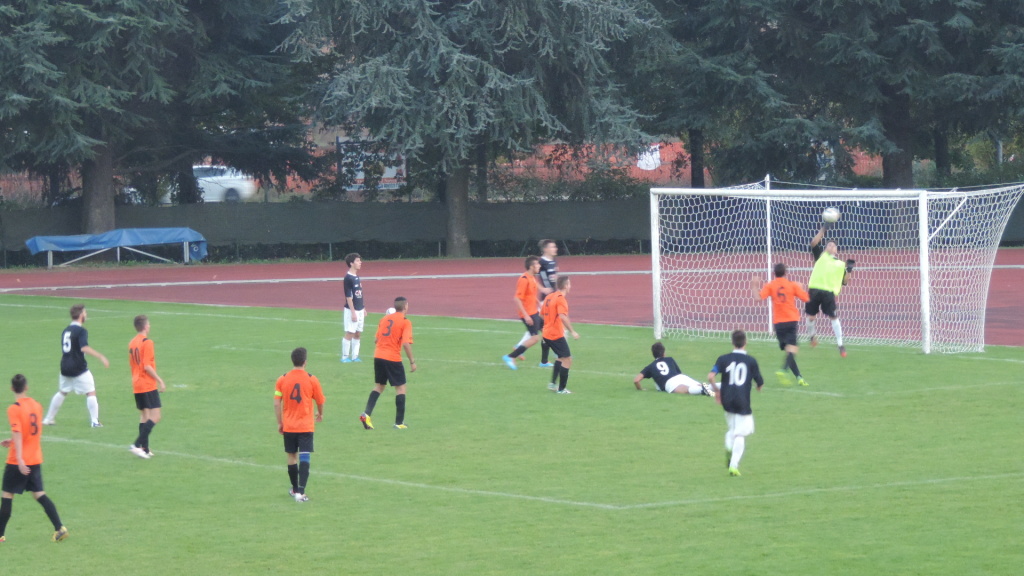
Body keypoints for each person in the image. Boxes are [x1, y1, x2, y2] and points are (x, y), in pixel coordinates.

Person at [1, 374, 69, 543]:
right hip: (35, 458)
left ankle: (0, 534)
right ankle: (60, 527)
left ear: (11, 388)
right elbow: (30, 432)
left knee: (7, 495)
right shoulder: (36, 406)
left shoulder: (13, 409)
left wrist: (19, 458)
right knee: (39, 494)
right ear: (26, 387)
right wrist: (12, 442)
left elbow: (17, 431)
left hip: (18, 461)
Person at [707, 330, 764, 477]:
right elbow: (760, 384)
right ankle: (733, 465)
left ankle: (728, 446)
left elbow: (711, 376)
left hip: (727, 399)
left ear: (732, 342)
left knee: (732, 428)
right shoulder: (751, 361)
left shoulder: (723, 359)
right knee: (741, 433)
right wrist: (758, 386)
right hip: (742, 400)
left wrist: (716, 391)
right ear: (745, 342)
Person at [43, 304, 109, 427]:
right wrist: (100, 356)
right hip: (78, 367)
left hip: (65, 366)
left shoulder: (66, 330)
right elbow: (84, 347)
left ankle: (48, 419)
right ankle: (95, 421)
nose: (86, 315)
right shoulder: (81, 331)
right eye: (85, 313)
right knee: (90, 392)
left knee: (62, 391)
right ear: (80, 315)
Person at [274, 347, 325, 503]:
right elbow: (320, 400)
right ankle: (301, 493)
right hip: (305, 425)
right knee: (305, 456)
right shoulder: (311, 379)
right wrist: (320, 413)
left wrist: (280, 422)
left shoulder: (282, 379)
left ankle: (295, 489)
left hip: (289, 425)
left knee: (291, 456)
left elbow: (277, 402)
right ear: (305, 361)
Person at [360, 297, 416, 430]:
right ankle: (399, 422)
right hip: (392, 358)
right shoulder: (405, 322)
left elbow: (376, 339)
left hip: (378, 356)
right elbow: (406, 343)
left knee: (379, 386)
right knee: (401, 388)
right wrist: (412, 362)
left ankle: (366, 414)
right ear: (406, 306)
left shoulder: (384, 319)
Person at [753, 263, 811, 386]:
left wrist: (754, 285)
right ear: (786, 272)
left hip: (778, 324)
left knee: (789, 351)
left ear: (774, 273)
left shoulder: (770, 285)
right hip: (791, 320)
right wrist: (802, 287)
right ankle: (783, 370)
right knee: (793, 349)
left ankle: (799, 377)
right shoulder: (792, 285)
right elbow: (806, 299)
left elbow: (758, 298)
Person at [806, 224, 855, 357]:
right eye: (828, 245)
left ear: (836, 250)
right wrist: (823, 229)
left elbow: (845, 282)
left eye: (833, 245)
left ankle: (840, 345)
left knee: (833, 316)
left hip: (828, 293)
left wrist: (849, 270)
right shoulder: (821, 257)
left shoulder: (840, 264)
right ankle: (812, 336)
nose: (830, 246)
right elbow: (814, 243)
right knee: (811, 316)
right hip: (814, 289)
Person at [128, 315, 166, 459]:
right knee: (156, 416)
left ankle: (145, 448)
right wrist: (160, 380)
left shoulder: (132, 343)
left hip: (136, 383)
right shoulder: (147, 342)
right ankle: (136, 445)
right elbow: (147, 365)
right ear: (144, 326)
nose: (149, 326)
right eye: (148, 324)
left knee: (144, 416)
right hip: (147, 384)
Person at [502, 256, 544, 370]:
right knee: (535, 338)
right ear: (531, 266)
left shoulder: (532, 278)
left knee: (548, 330)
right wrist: (525, 315)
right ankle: (510, 356)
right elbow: (517, 298)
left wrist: (538, 302)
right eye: (537, 264)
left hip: (534, 311)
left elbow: (530, 294)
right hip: (528, 314)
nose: (539, 266)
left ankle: (546, 360)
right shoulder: (524, 279)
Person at [541, 275, 579, 394]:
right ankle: (562, 389)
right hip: (555, 334)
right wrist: (572, 331)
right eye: (569, 284)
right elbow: (563, 316)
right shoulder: (561, 299)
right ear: (566, 285)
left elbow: (542, 314)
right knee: (567, 359)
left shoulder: (549, 296)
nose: (570, 286)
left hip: (547, 333)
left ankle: (552, 384)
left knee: (560, 358)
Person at [634, 342, 715, 397]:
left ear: (653, 354)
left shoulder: (650, 366)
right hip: (681, 376)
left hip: (669, 383)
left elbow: (636, 380)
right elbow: (679, 372)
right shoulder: (670, 359)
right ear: (664, 353)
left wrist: (640, 389)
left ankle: (703, 390)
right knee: (698, 385)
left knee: (686, 391)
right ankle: (718, 389)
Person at [536, 239, 559, 367]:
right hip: (545, 299)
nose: (555, 249)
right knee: (548, 328)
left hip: (553, 297)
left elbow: (553, 278)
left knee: (547, 328)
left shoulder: (554, 261)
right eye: (552, 247)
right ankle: (517, 350)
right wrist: (542, 289)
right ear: (545, 249)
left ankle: (546, 360)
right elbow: (532, 278)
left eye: (555, 246)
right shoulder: (541, 262)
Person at [341, 253, 366, 363]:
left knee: (358, 333)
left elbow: (359, 293)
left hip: (360, 309)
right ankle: (345, 357)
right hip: (352, 310)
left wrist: (363, 307)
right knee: (350, 333)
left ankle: (355, 356)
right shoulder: (348, 278)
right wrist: (353, 312)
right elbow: (349, 296)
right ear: (351, 263)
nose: (360, 262)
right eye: (357, 261)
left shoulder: (357, 277)